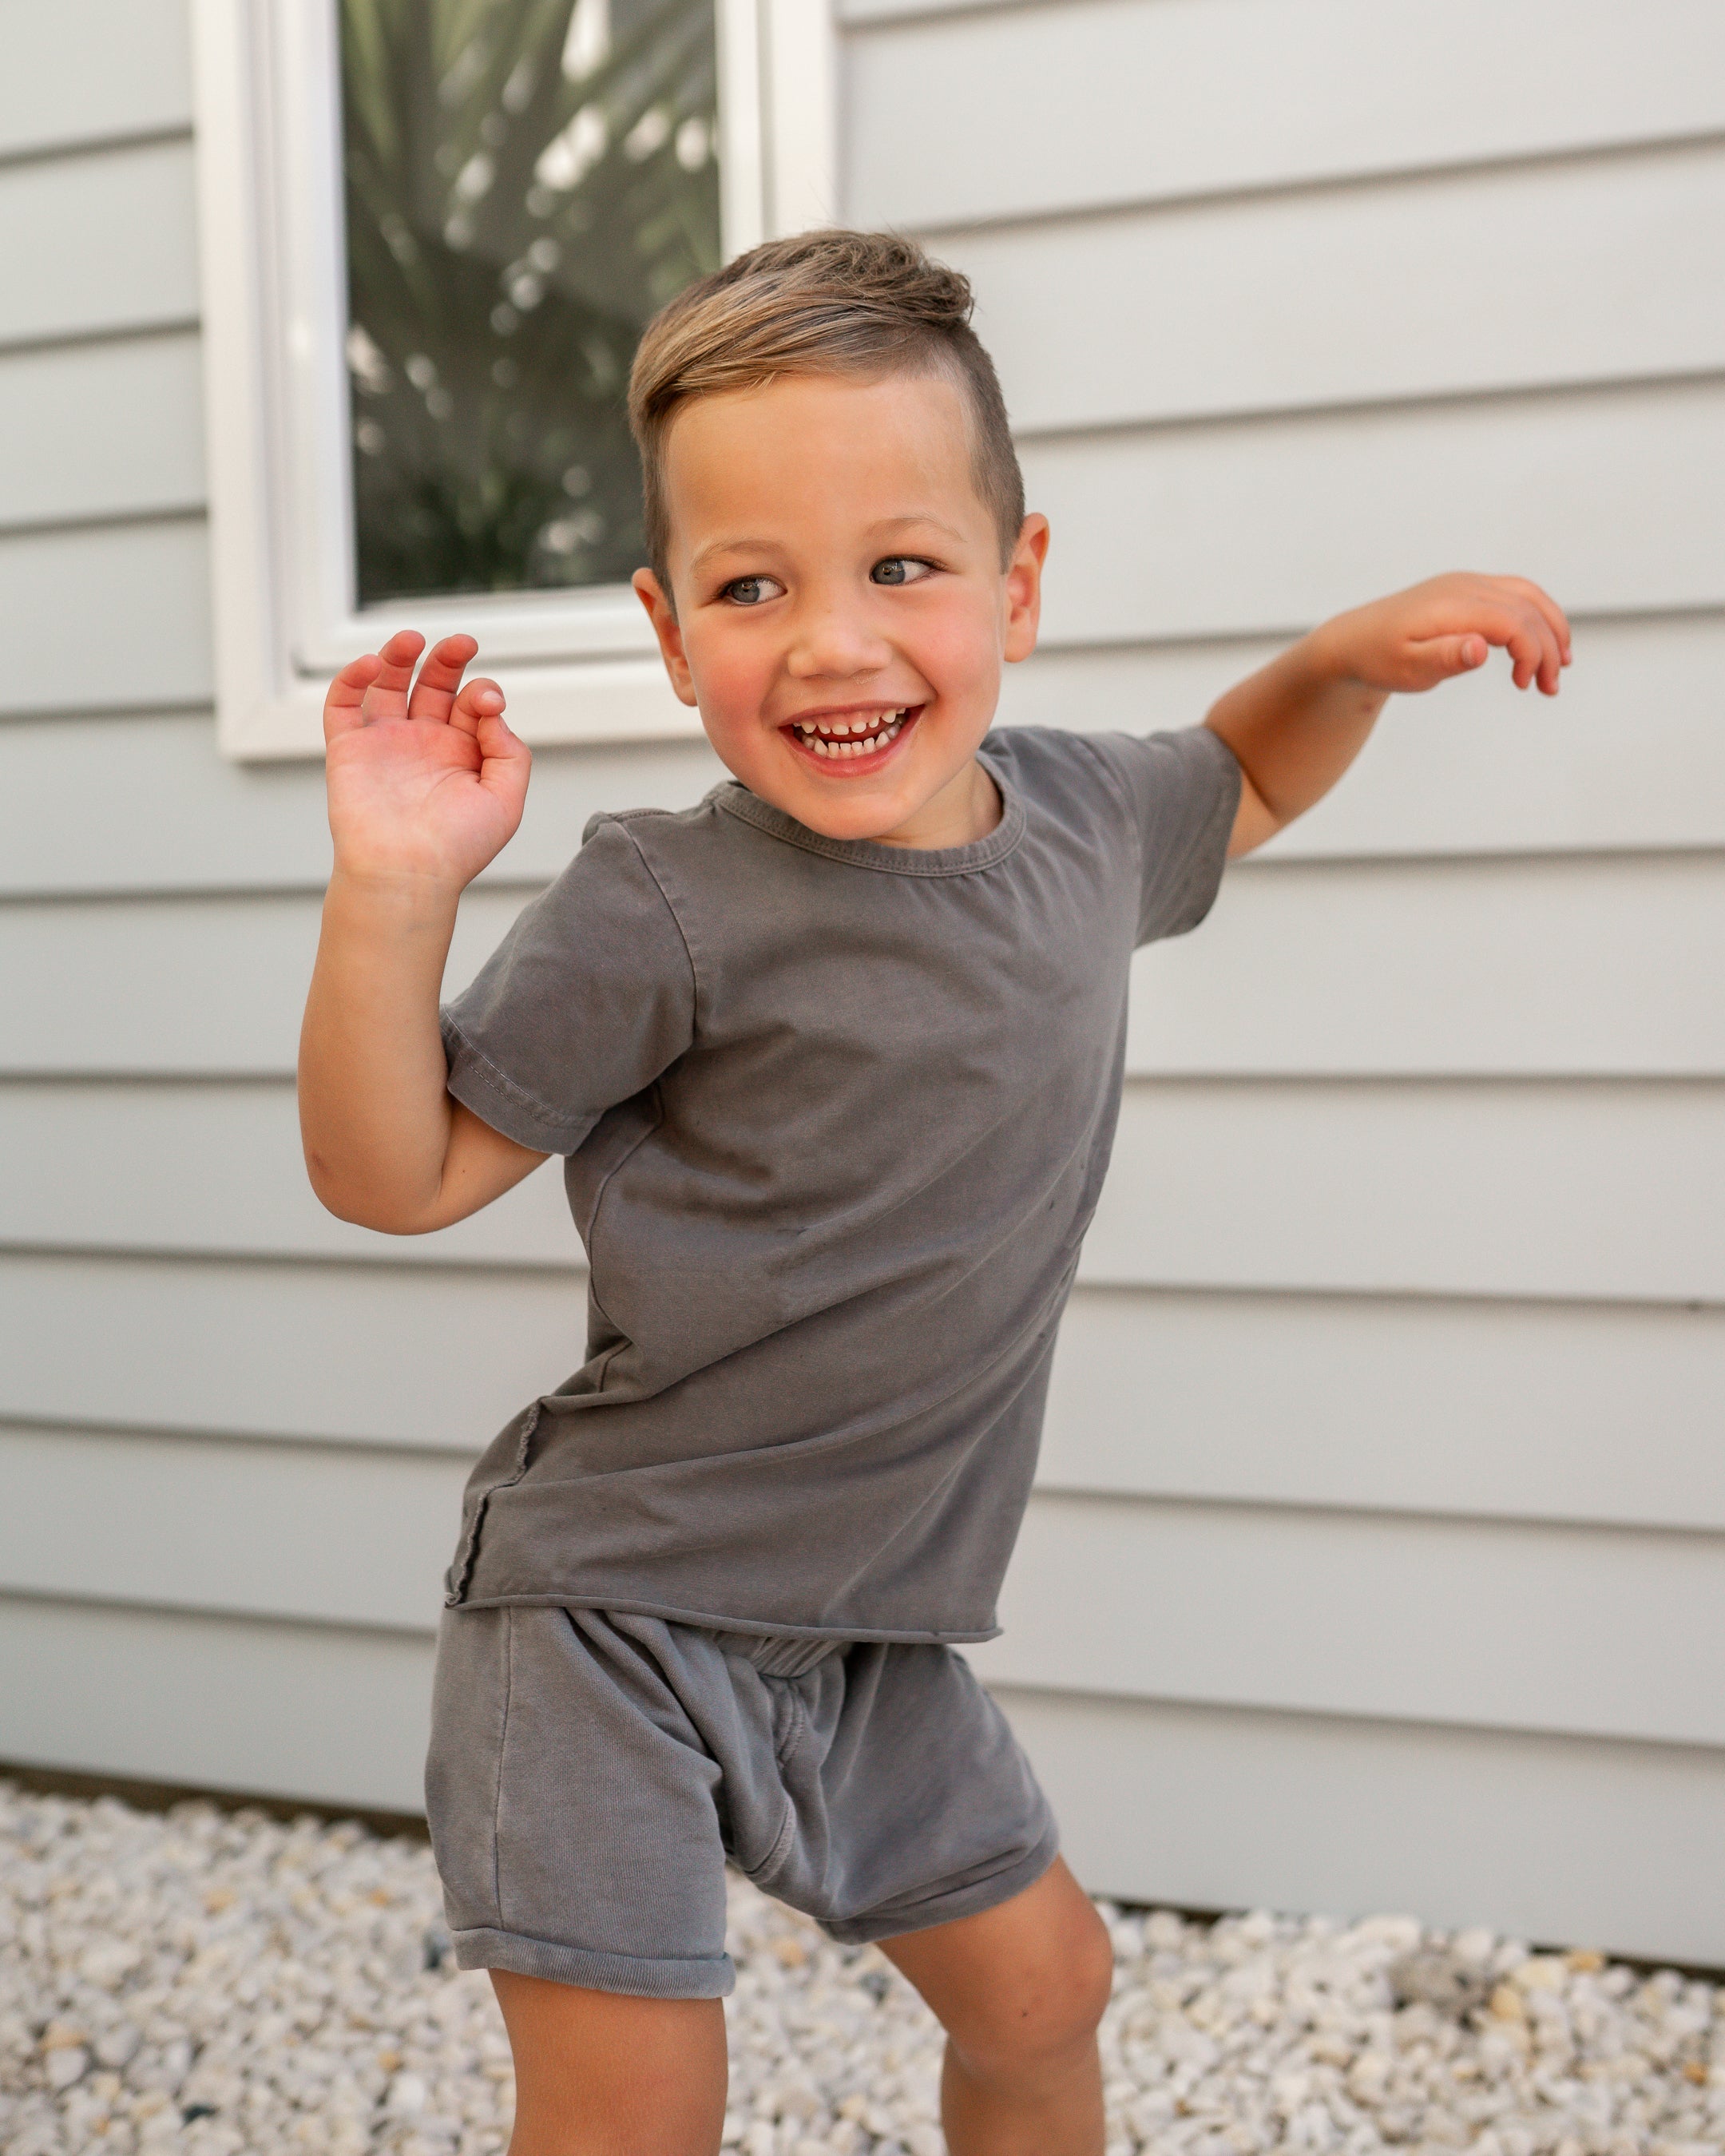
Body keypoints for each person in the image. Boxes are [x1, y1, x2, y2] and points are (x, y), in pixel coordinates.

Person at [297, 230, 1571, 2156]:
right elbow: (395, 1174)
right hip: (606, 1623)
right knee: (634, 2122)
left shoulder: (1077, 827)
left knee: (1052, 1990)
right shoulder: (663, 901)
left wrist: (1338, 660)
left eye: (903, 565)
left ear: (1018, 583)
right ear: (667, 632)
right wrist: (395, 888)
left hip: (872, 1632)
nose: (833, 639)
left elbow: (1244, 775)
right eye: (753, 586)